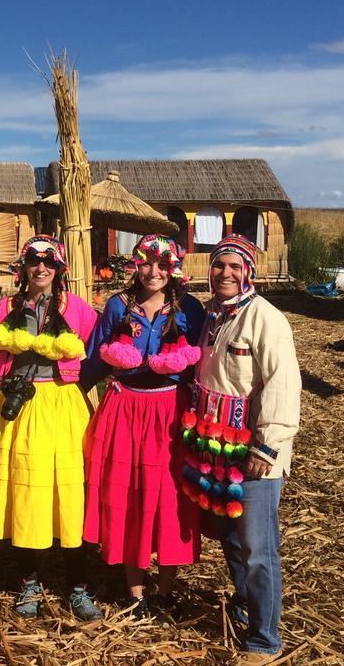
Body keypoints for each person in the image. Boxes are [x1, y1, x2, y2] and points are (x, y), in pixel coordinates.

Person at [0, 235, 103, 621]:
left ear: (58, 268)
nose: (41, 267)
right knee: (25, 494)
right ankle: (29, 582)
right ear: (24, 266)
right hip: (19, 407)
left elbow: (94, 351)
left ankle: (78, 586)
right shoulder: (6, 308)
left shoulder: (76, 308)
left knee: (69, 495)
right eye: (33, 260)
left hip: (62, 406)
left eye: (48, 261)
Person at [182, 235, 301, 664]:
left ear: (248, 271)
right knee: (230, 536)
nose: (226, 274)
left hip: (253, 451)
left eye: (235, 267)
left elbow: (282, 385)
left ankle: (265, 641)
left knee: (257, 546)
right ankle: (245, 605)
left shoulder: (265, 319)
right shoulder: (211, 316)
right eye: (219, 266)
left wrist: (266, 446)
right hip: (217, 447)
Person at [81, 234, 205, 620]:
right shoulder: (118, 306)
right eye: (147, 263)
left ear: (175, 268)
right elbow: (93, 361)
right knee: (129, 493)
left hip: (170, 411)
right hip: (126, 408)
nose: (154, 272)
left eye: (163, 264)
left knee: (169, 495)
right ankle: (135, 593)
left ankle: (165, 591)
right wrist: (66, 393)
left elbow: (206, 365)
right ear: (136, 265)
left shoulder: (189, 309)